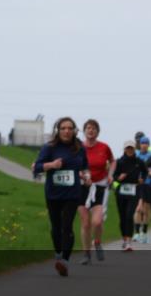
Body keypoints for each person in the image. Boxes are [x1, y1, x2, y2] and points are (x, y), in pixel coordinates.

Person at [33, 117, 90, 276]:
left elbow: (85, 166)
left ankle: (64, 260)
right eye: (63, 128)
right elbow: (36, 168)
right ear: (58, 130)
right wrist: (52, 165)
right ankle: (58, 254)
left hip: (72, 193)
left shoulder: (79, 147)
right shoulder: (50, 147)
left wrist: (87, 176)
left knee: (67, 226)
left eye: (70, 128)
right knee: (55, 227)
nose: (66, 131)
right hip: (53, 193)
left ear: (74, 130)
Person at [78, 119, 114, 264]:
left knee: (97, 222)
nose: (91, 130)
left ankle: (97, 242)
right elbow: (71, 162)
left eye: (93, 128)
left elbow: (113, 161)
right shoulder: (78, 147)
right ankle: (86, 254)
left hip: (99, 186)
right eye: (88, 128)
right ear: (84, 131)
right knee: (86, 223)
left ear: (97, 131)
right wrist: (80, 174)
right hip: (82, 187)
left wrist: (111, 174)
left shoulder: (104, 147)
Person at [112, 141, 146, 251]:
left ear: (134, 149)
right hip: (121, 191)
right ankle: (124, 239)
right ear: (124, 149)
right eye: (128, 148)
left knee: (129, 216)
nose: (130, 150)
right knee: (122, 217)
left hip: (133, 190)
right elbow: (113, 176)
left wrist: (142, 179)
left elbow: (145, 172)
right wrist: (119, 178)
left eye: (131, 148)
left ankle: (129, 242)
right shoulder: (119, 162)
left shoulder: (139, 161)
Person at [133, 136, 151, 243]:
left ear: (148, 145)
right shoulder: (136, 154)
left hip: (148, 184)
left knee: (146, 209)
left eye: (146, 143)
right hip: (137, 184)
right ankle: (136, 233)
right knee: (138, 208)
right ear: (140, 144)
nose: (144, 145)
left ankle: (144, 233)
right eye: (142, 143)